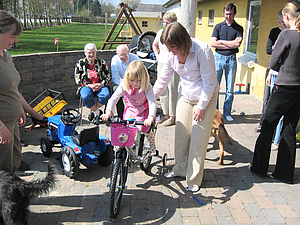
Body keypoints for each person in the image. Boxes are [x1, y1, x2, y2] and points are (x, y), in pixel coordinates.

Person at [153, 22, 219, 192]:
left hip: (206, 96)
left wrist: (202, 106)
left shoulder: (202, 50)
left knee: (198, 139)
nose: (171, 51)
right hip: (186, 95)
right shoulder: (169, 52)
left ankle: (194, 179)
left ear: (183, 41)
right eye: (167, 47)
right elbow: (163, 79)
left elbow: (210, 83)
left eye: (173, 47)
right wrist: (149, 98)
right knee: (181, 135)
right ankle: (180, 169)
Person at [250, 0, 300, 184]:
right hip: (298, 91)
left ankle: (259, 168)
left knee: (267, 125)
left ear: (287, 16)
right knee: (289, 129)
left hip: (284, 87)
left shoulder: (286, 34)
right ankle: (285, 174)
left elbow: (272, 63)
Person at [102, 60, 157, 156]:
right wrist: (108, 111)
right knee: (126, 128)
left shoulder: (147, 87)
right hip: (131, 109)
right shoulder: (124, 85)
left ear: (144, 78)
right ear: (127, 78)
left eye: (139, 80)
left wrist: (151, 117)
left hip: (144, 109)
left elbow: (152, 102)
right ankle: (128, 145)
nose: (135, 83)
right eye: (132, 80)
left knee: (146, 129)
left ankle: (153, 145)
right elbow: (113, 99)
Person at [0, 10, 26, 173]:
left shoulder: (6, 54)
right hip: (3, 126)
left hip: (12, 121)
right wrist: (0, 127)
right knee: (3, 168)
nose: (16, 40)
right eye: (12, 35)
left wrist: (20, 109)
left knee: (14, 161)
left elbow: (12, 88)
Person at [255, 9, 287, 133]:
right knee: (267, 99)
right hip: (271, 69)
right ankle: (263, 122)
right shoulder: (275, 32)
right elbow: (269, 50)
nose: (280, 24)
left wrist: (277, 49)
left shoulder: (288, 34)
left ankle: (276, 133)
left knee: (277, 102)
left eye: (282, 21)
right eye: (279, 21)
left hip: (281, 72)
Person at [211, 3, 243, 122]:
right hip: (218, 58)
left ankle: (227, 112)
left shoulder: (238, 28)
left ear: (234, 14)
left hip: (231, 59)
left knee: (230, 88)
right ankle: (215, 112)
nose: (228, 16)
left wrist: (222, 42)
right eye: (226, 14)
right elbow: (213, 43)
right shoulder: (218, 27)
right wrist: (230, 43)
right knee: (216, 86)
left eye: (230, 14)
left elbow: (237, 44)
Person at [153, 12, 179, 126]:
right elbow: (155, 44)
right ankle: (166, 114)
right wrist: (157, 56)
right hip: (162, 63)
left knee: (173, 89)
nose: (165, 24)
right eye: (164, 22)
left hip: (173, 64)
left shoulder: (176, 33)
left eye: (167, 22)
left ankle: (173, 116)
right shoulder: (160, 33)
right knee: (163, 90)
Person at [74, 43, 111, 122]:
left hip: (100, 85)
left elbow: (108, 76)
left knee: (106, 95)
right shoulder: (80, 63)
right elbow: (78, 79)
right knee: (85, 96)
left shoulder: (102, 63)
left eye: (93, 52)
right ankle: (97, 112)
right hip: (86, 86)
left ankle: (93, 110)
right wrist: (89, 85)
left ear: (96, 53)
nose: (91, 54)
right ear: (85, 52)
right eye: (89, 52)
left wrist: (101, 84)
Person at [111, 44, 140, 118]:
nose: (123, 57)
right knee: (114, 89)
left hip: (135, 83)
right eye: (121, 55)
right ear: (117, 54)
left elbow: (140, 75)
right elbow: (115, 78)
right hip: (122, 83)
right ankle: (121, 115)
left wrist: (130, 83)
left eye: (125, 54)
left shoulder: (135, 59)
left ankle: (138, 112)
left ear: (128, 52)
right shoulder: (114, 60)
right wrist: (123, 83)